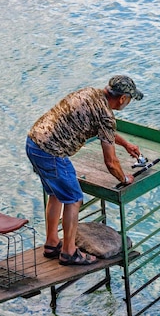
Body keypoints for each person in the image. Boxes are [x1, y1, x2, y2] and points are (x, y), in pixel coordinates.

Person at [25, 75, 143, 265]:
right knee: (74, 199)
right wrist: (125, 179)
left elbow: (103, 130)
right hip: (52, 152)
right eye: (129, 100)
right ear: (122, 98)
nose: (127, 103)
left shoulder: (90, 93)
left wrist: (126, 144)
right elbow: (111, 162)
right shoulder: (106, 115)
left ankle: (52, 243)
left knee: (56, 194)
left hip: (34, 142)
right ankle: (69, 252)